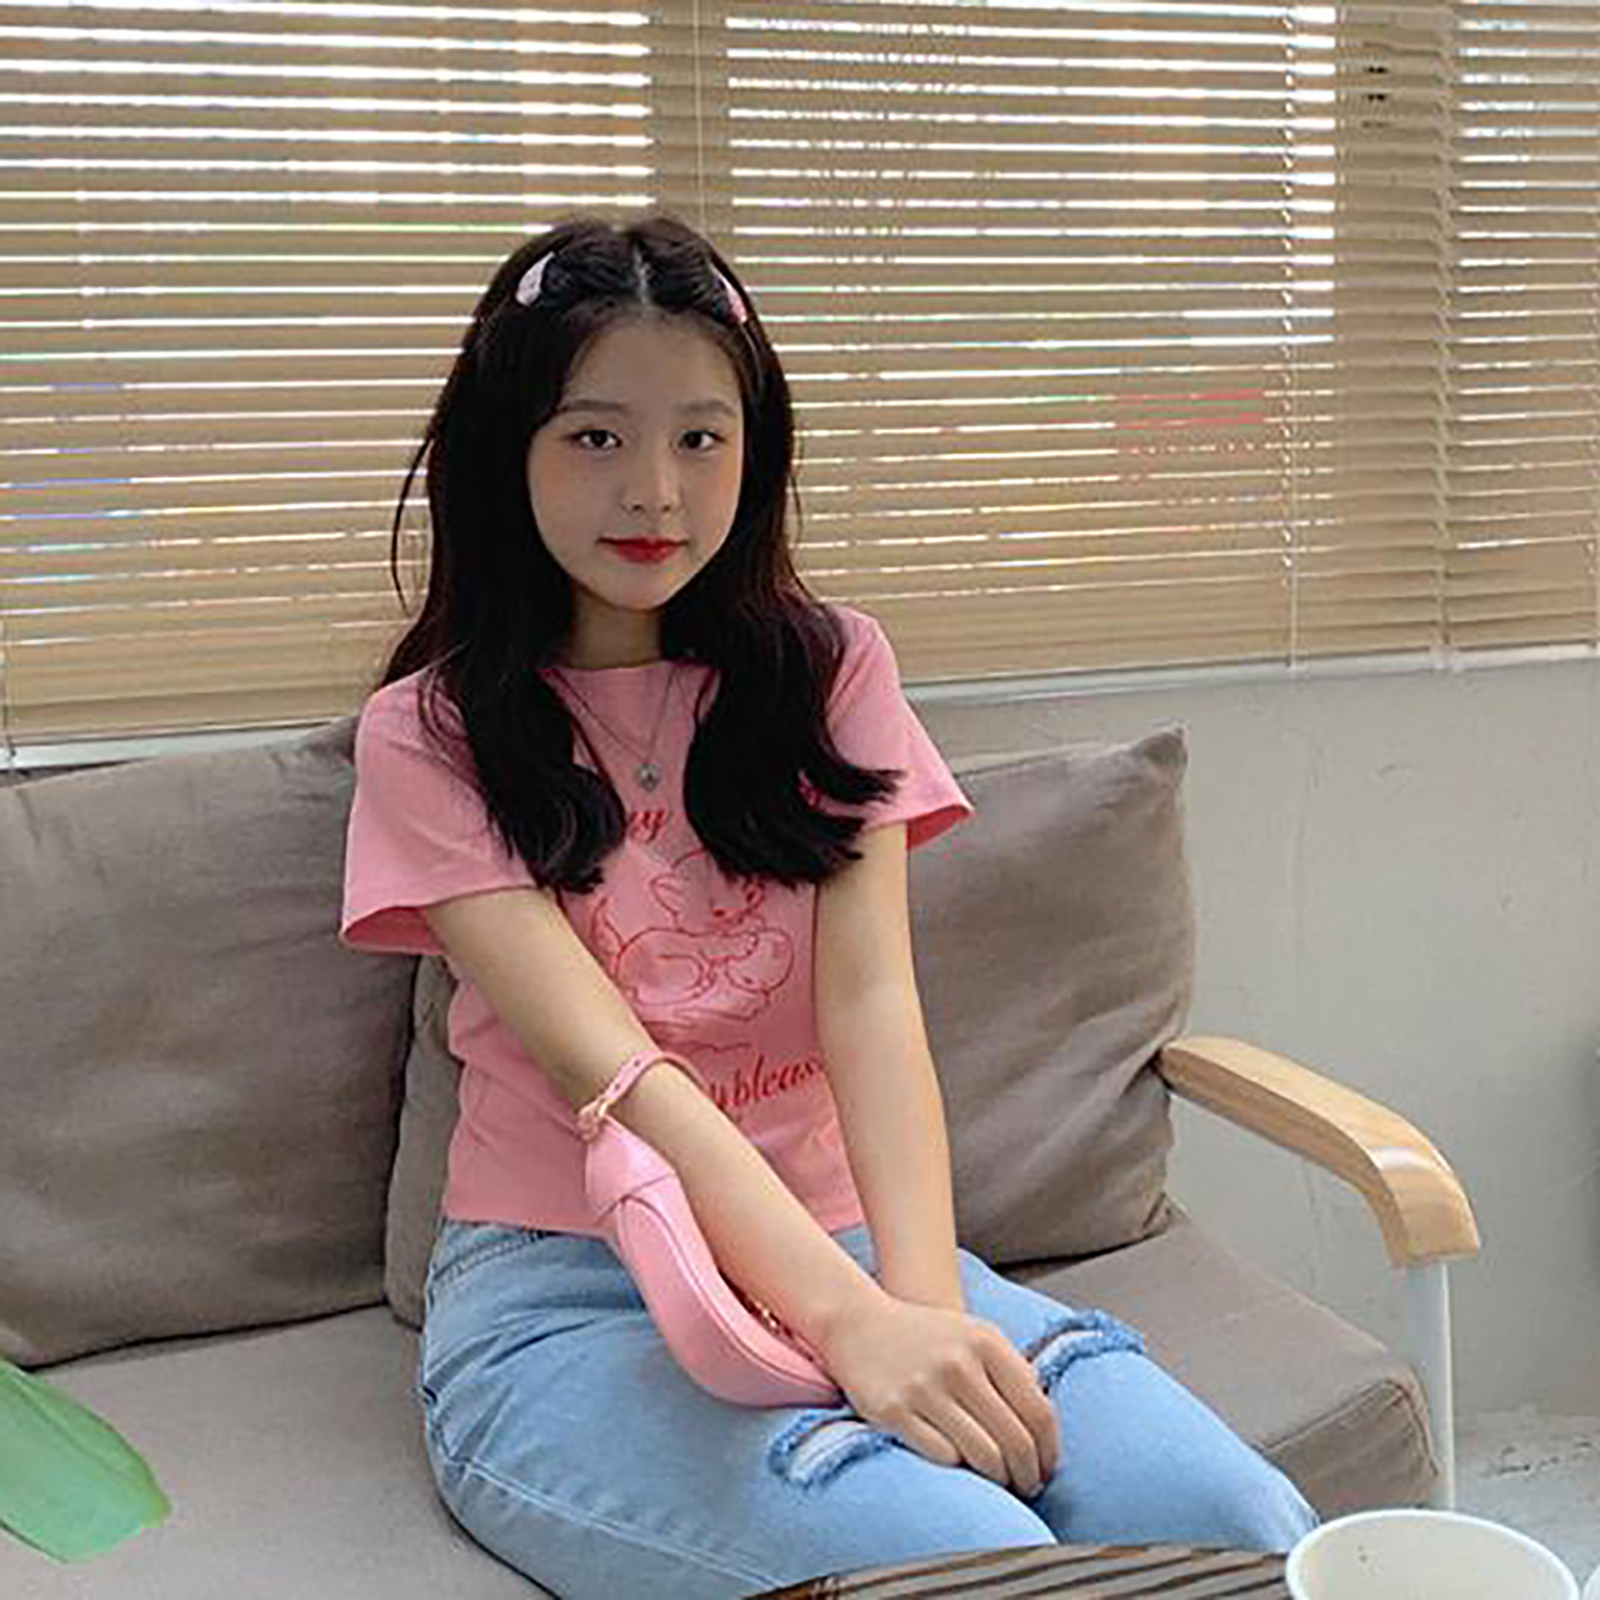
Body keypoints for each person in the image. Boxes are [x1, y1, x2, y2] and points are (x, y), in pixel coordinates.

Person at [338, 211, 1317, 1598]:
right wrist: (849, 1330)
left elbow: (870, 1006)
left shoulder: (832, 671)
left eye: (701, 437)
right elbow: (621, 1076)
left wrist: (918, 1313)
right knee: (970, 1565)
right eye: (596, 437)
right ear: (510, 449)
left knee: (1235, 1522)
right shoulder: (431, 734)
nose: (655, 493)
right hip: (567, 1292)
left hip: (855, 1239)